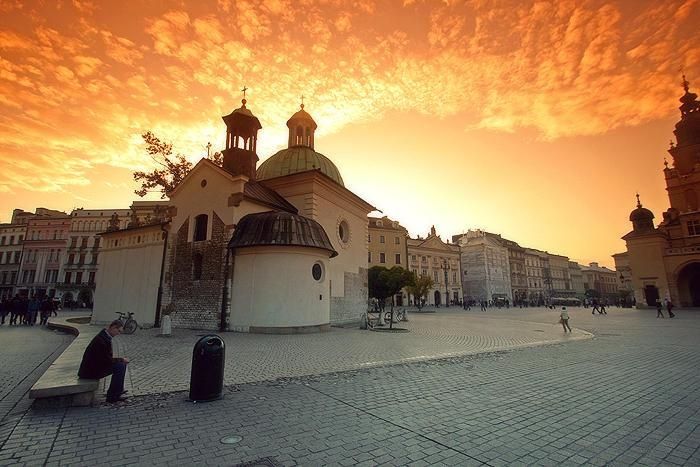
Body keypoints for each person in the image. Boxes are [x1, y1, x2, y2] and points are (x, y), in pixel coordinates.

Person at [78, 320, 130, 403]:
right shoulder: (101, 340)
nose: (118, 334)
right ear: (113, 327)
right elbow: (106, 360)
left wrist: (120, 360)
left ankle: (118, 390)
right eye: (118, 331)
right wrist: (121, 359)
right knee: (120, 366)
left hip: (94, 367)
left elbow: (105, 359)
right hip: (90, 371)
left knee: (121, 364)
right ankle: (113, 396)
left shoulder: (104, 337)